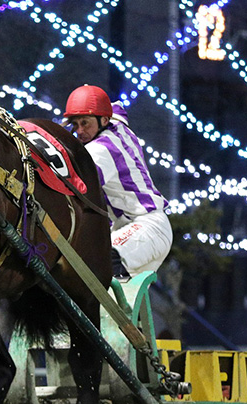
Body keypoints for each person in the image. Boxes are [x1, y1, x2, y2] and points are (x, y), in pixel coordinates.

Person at [64, 84, 173, 279]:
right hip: (137, 229)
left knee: (98, 258)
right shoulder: (116, 123)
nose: (79, 131)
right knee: (118, 302)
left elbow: (73, 186)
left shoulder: (100, 150)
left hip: (146, 228)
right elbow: (117, 108)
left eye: (85, 123)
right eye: (75, 124)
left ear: (104, 120)